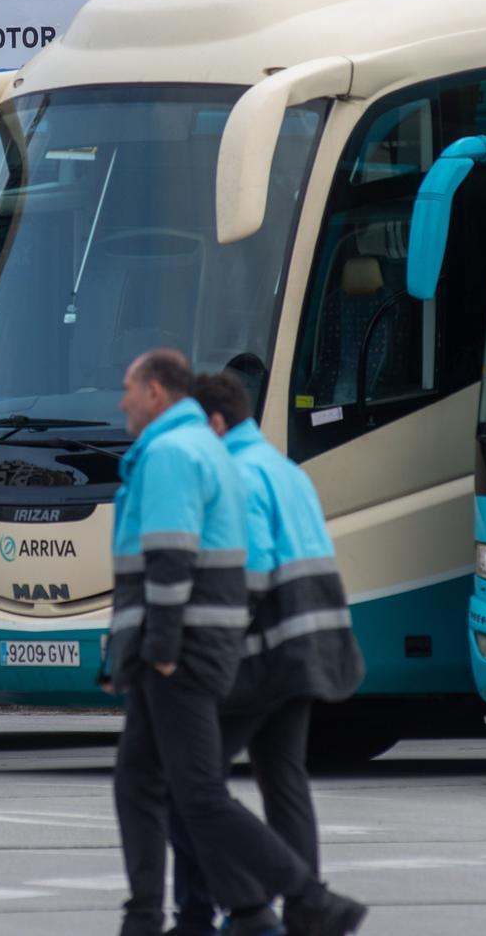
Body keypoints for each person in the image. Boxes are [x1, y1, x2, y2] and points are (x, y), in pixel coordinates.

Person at [106, 348, 367, 936]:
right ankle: (291, 909)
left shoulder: (228, 467)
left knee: (191, 791)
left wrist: (174, 646)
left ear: (215, 422)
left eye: (128, 387)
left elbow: (245, 569)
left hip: (258, 650)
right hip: (316, 643)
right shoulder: (284, 467)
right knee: (281, 779)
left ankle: (235, 908)